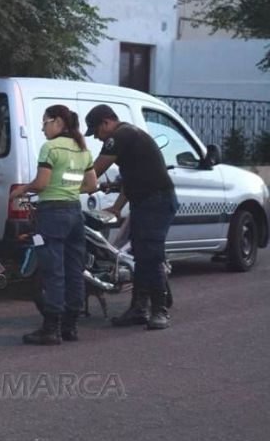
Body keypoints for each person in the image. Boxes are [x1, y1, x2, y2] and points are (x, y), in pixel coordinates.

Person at [86, 104, 179, 330]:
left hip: (155, 202)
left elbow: (95, 171)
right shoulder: (129, 135)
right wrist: (117, 207)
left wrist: (65, 185)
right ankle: (139, 309)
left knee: (150, 256)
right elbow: (131, 179)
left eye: (96, 131)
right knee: (141, 254)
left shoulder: (120, 136)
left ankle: (160, 311)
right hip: (148, 201)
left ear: (106, 122)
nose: (97, 138)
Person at [11, 105, 97, 345]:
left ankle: (51, 329)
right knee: (74, 270)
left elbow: (40, 184)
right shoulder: (82, 149)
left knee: (53, 272)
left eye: (45, 122)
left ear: (58, 122)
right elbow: (92, 185)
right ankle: (70, 327)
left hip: (52, 214)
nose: (43, 128)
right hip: (75, 213)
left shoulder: (50, 148)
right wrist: (69, 189)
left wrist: (22, 189)